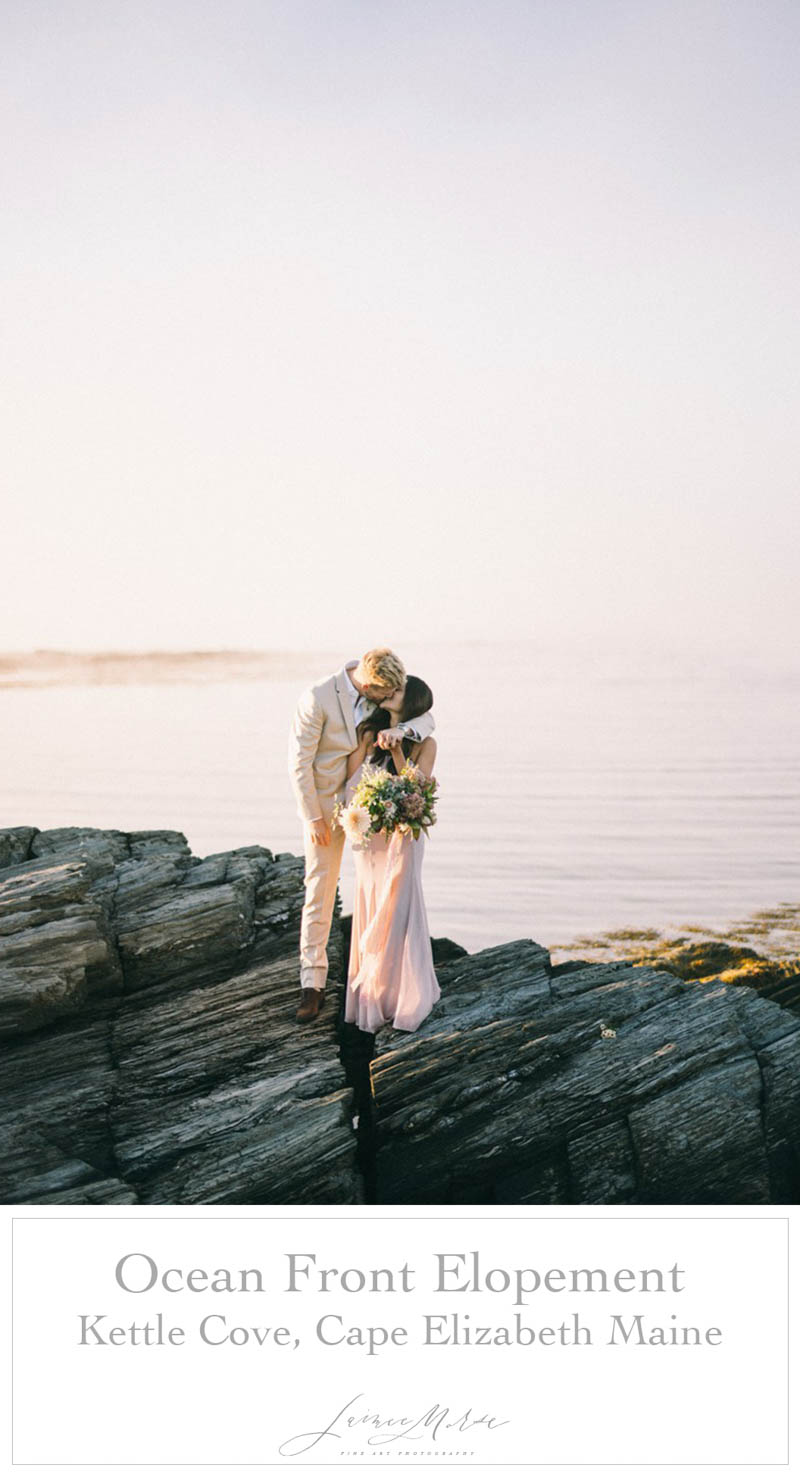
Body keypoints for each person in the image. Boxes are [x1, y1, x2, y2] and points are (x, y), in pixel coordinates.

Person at [288, 649, 434, 1023]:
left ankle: (386, 980)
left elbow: (424, 711)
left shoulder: (385, 683)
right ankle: (312, 983)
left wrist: (401, 731)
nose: (387, 700)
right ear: (370, 686)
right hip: (325, 807)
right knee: (320, 886)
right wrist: (313, 818)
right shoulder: (317, 698)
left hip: (367, 806)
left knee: (377, 890)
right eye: (383, 695)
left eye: (392, 694)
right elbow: (299, 764)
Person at [342, 676, 441, 1033]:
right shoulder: (369, 733)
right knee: (371, 905)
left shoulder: (426, 744)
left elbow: (416, 789)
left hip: (403, 837)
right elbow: (350, 780)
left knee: (399, 909)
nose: (388, 693)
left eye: (396, 691)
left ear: (410, 701)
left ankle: (405, 997)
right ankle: (373, 997)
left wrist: (399, 749)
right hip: (369, 840)